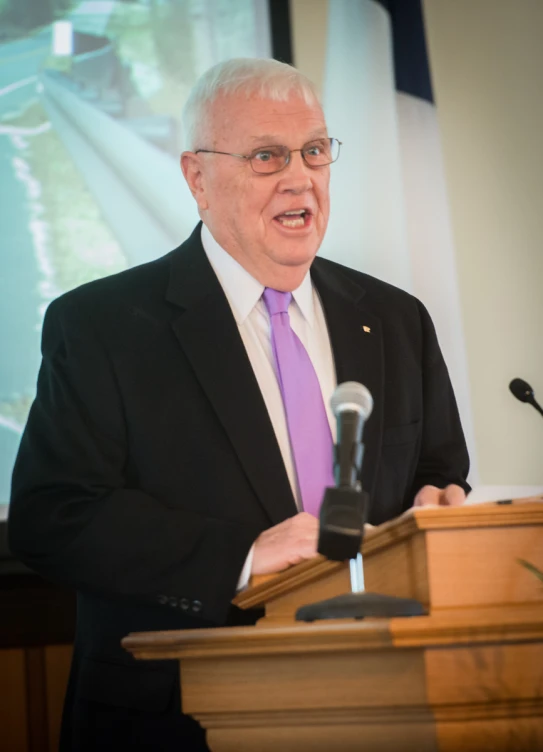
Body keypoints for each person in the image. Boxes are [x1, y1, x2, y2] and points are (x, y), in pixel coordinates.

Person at [8, 58, 469, 751]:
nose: (300, 178)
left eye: (314, 151)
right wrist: (241, 554)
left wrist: (442, 503)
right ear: (197, 177)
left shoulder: (394, 318)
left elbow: (438, 469)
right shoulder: (103, 326)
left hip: (384, 702)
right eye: (266, 156)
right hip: (179, 719)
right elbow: (55, 515)